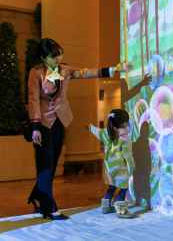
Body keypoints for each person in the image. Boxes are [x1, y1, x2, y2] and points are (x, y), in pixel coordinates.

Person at [27, 38, 127, 220]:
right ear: (43, 58)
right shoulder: (36, 73)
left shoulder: (63, 69)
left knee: (52, 163)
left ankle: (39, 196)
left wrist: (112, 70)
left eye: (59, 54)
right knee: (45, 166)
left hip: (59, 122)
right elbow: (33, 98)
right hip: (42, 124)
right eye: (52, 56)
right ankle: (49, 207)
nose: (57, 59)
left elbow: (84, 73)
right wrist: (35, 126)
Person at [89, 109, 135, 217]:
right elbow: (127, 155)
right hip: (120, 168)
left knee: (112, 186)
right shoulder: (124, 138)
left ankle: (105, 206)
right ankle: (121, 209)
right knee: (123, 188)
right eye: (126, 123)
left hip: (108, 167)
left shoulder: (105, 133)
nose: (127, 126)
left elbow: (95, 130)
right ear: (121, 124)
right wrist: (131, 166)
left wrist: (90, 127)